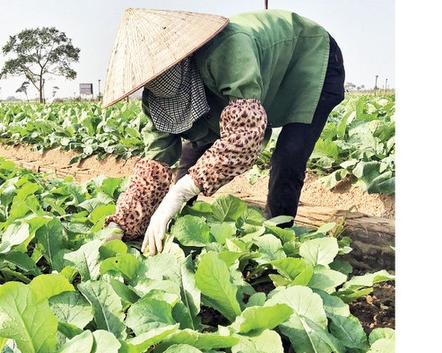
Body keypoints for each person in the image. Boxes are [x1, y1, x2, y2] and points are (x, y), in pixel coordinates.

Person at [100, 8, 345, 256]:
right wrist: (123, 223)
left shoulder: (226, 49)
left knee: (289, 155)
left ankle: (276, 242)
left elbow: (244, 137)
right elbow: (155, 159)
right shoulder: (155, 95)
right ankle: (176, 229)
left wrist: (179, 193)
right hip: (261, 76)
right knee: (192, 150)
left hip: (312, 59)